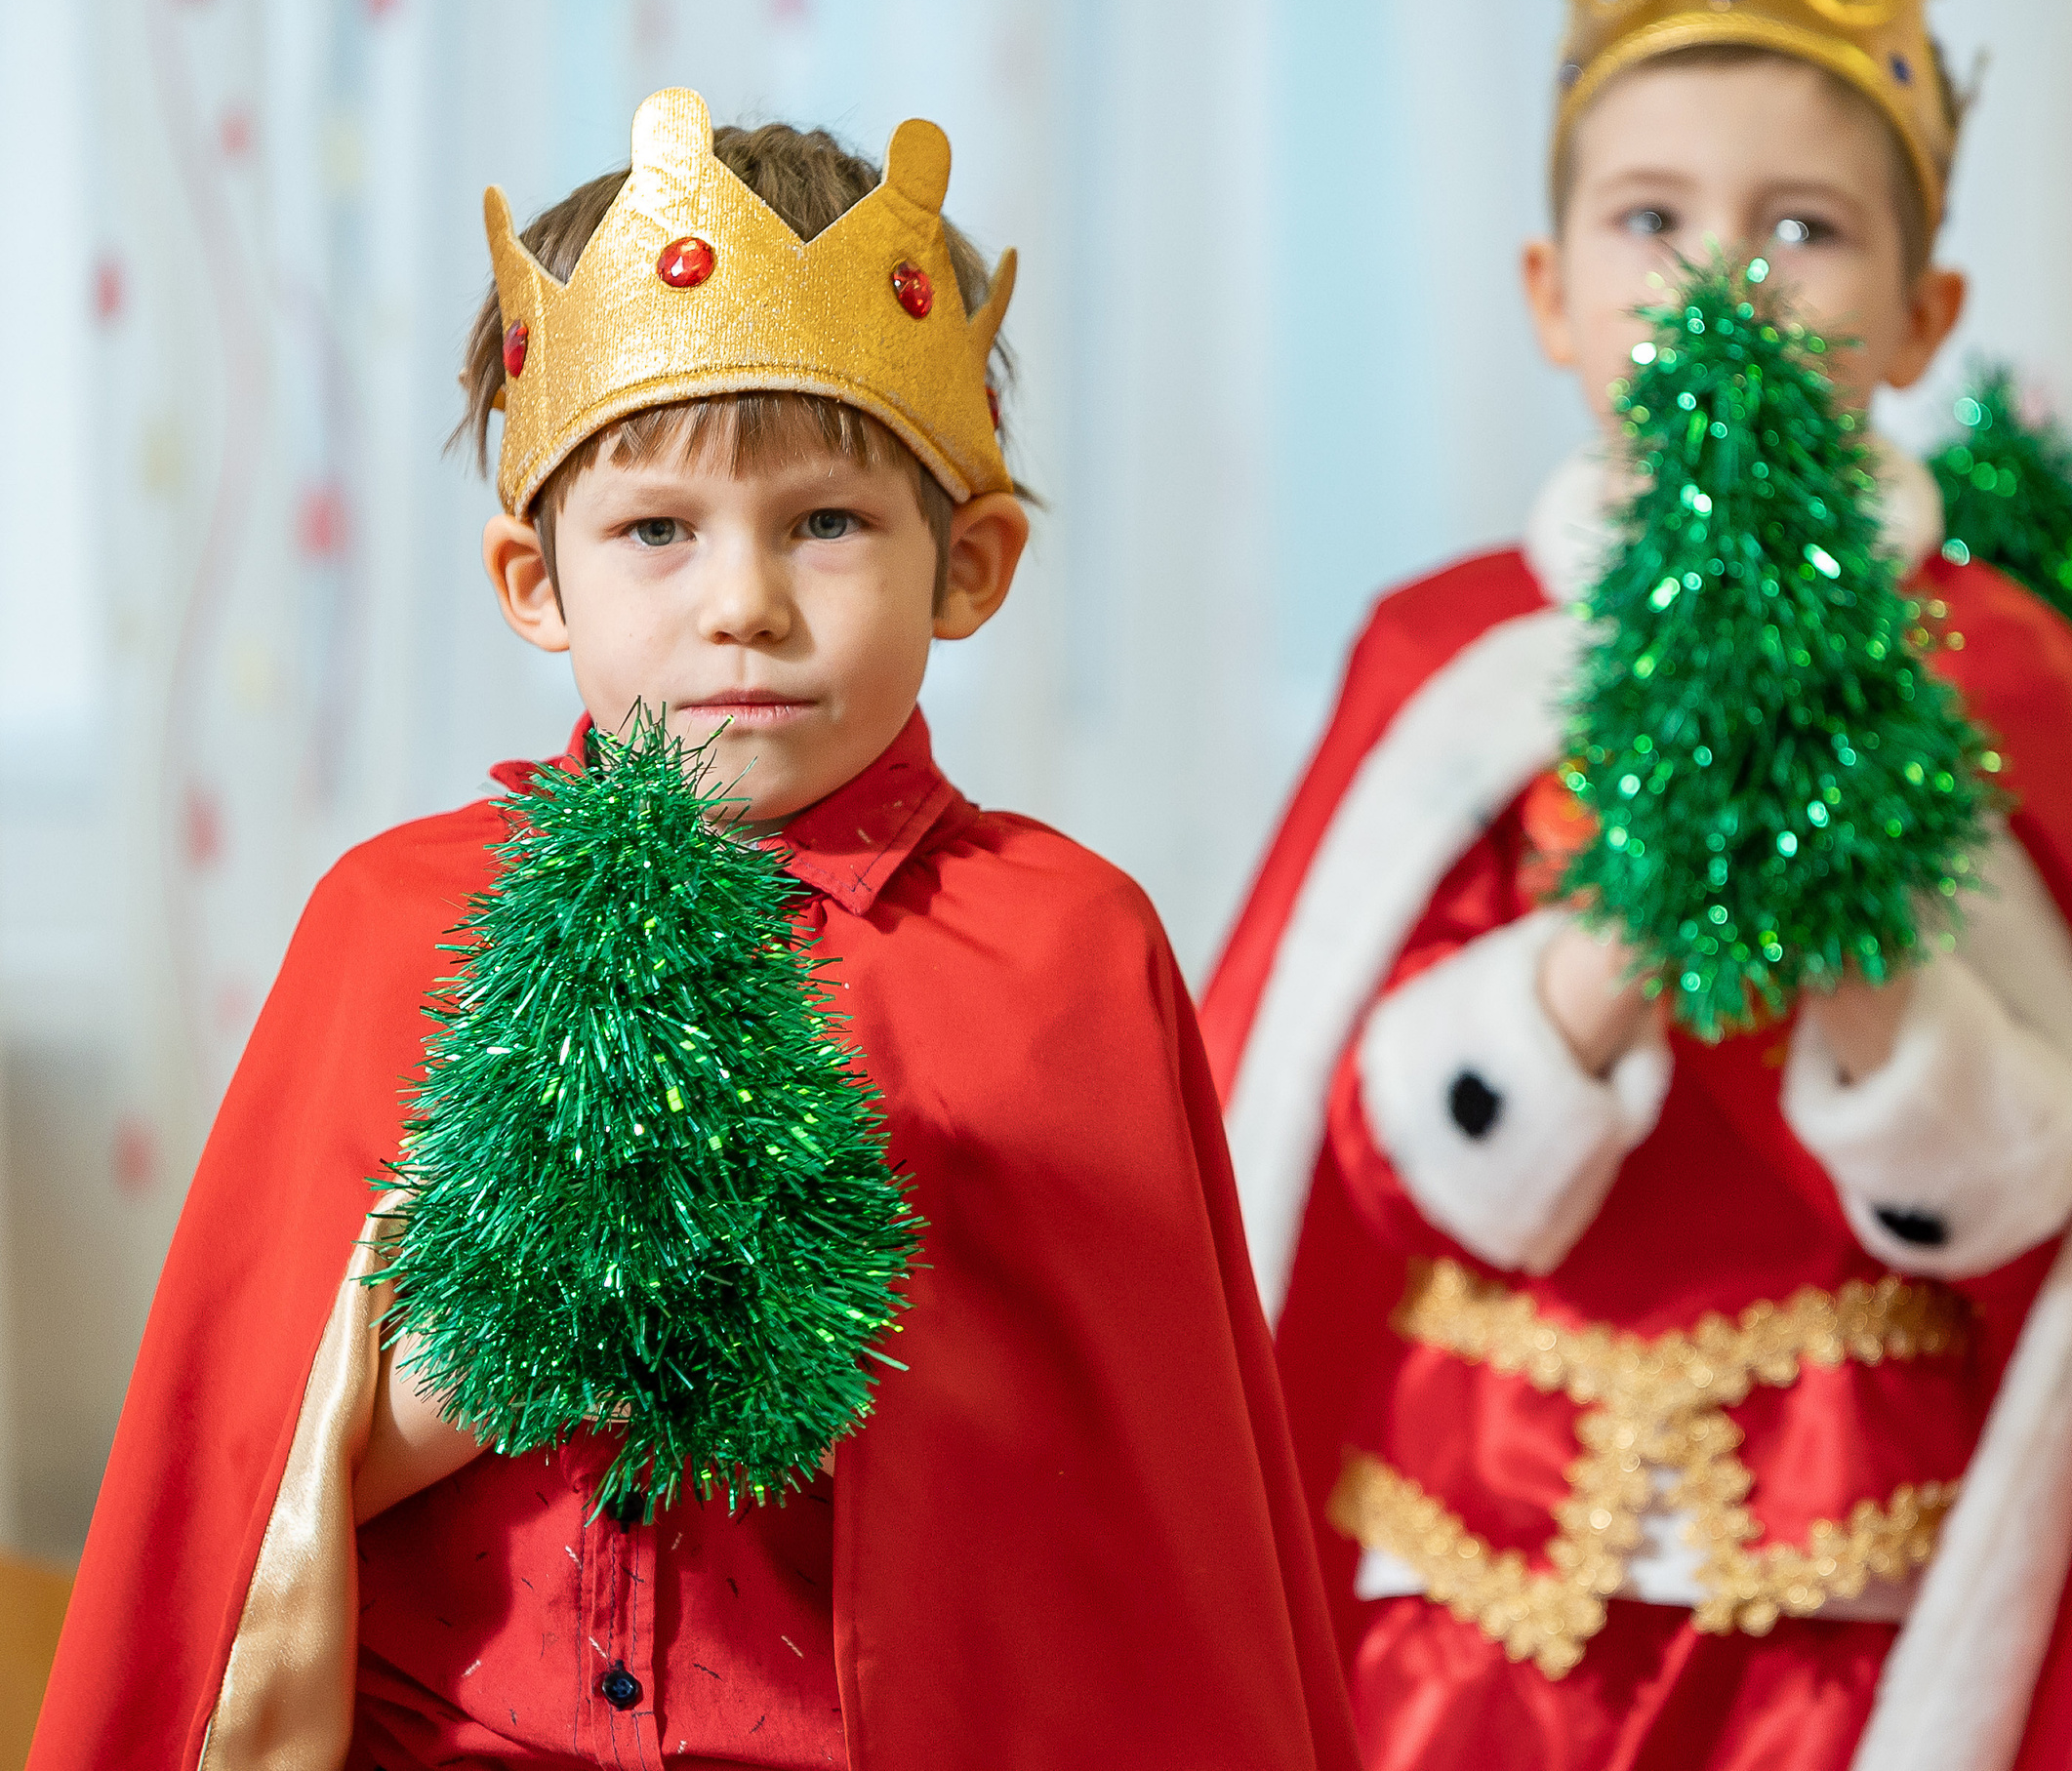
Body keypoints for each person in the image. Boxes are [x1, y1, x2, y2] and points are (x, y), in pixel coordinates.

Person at [31, 90, 1361, 1771]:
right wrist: (526, 1304)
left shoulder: (1063, 958)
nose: (743, 597)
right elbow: (235, 1498)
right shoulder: (393, 927)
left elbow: (1136, 1567)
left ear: (973, 563)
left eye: (828, 521)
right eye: (657, 529)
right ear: (537, 579)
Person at [1200, 0, 2072, 1771]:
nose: (1718, 282)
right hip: (1462, 1579)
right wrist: (1590, 977)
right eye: (1649, 219)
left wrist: (1867, 962)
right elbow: (1338, 1147)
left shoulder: (1983, 669)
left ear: (1922, 318)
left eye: (1801, 228)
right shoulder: (1450, 657)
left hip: (1840, 1590)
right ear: (1548, 290)